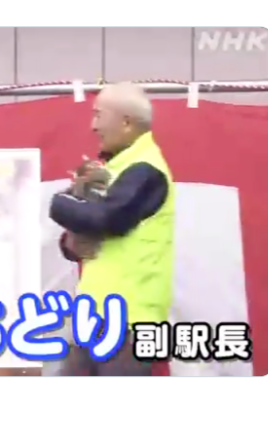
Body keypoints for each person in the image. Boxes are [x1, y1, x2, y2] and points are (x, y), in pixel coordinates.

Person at [49, 82, 174, 376]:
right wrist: (71, 243)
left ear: (126, 123)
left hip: (129, 322)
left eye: (98, 115)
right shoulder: (118, 168)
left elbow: (107, 219)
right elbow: (93, 225)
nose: (93, 126)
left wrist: (58, 203)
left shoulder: (146, 169)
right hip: (96, 315)